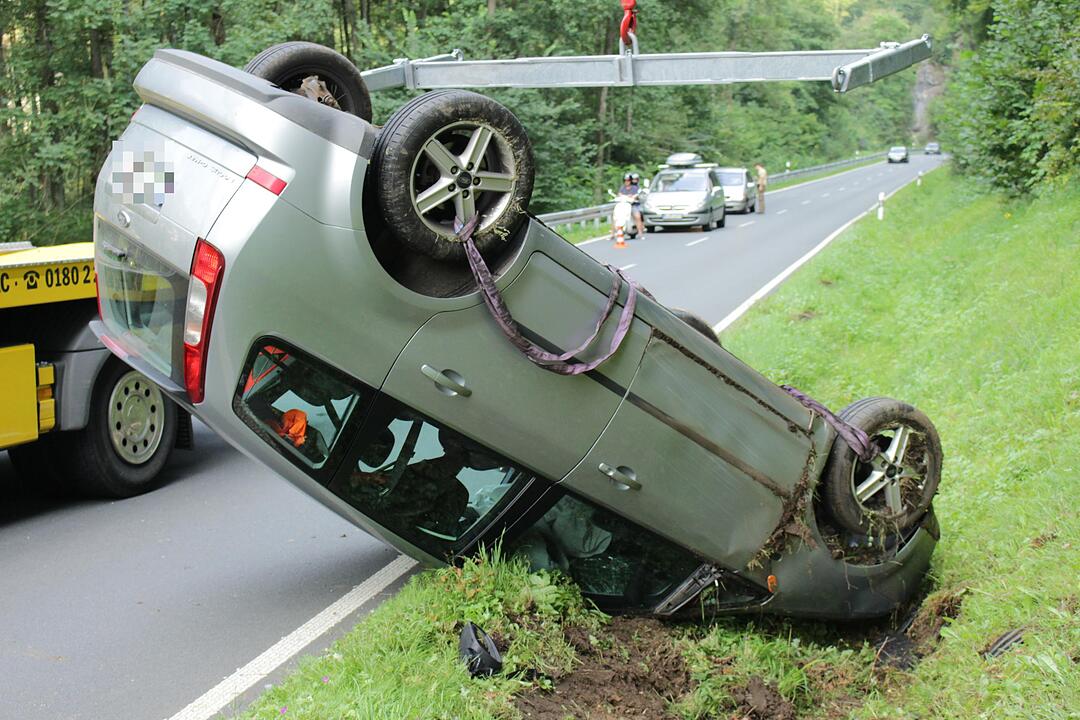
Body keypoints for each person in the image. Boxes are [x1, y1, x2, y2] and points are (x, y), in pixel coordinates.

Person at [612, 172, 646, 238]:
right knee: (614, 217)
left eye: (628, 180)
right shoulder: (622, 188)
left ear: (630, 181)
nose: (627, 182)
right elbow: (619, 194)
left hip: (632, 205)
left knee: (637, 216)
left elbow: (637, 195)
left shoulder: (635, 188)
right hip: (623, 205)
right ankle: (612, 234)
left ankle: (640, 233)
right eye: (625, 180)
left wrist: (633, 197)